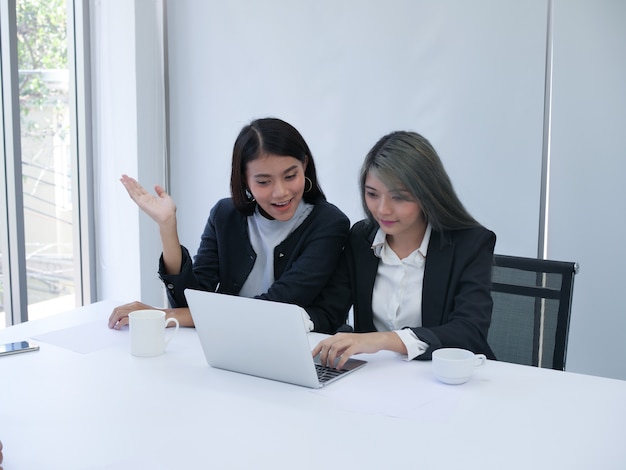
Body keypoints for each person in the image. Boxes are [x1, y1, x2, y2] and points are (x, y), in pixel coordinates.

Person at [108, 117, 349, 333]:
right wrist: (167, 227)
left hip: (302, 349)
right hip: (231, 345)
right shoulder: (225, 215)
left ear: (304, 165)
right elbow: (191, 301)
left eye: (290, 176)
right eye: (264, 181)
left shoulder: (328, 224)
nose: (281, 192)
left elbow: (278, 306)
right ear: (244, 179)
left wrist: (161, 316)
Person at [309, 130, 497, 369]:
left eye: (399, 197)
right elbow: (330, 310)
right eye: (372, 194)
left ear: (428, 194)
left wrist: (382, 340)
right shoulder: (361, 239)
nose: (383, 210)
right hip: (378, 378)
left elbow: (469, 332)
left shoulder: (469, 244)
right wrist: (293, 322)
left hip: (444, 378)